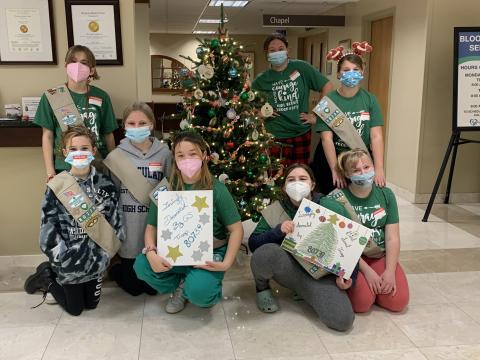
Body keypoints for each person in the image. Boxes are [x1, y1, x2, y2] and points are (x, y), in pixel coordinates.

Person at [133, 131, 244, 314]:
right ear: (174, 159)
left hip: (210, 252)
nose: (187, 159)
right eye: (180, 155)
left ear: (203, 155)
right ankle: (183, 285)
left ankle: (199, 285)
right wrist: (151, 252)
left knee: (201, 294)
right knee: (142, 265)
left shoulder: (217, 189)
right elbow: (151, 226)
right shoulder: (166, 187)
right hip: (176, 248)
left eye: (193, 153)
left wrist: (226, 264)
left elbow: (236, 229)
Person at [24, 126, 124, 316]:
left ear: (93, 151)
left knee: (92, 305)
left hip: (96, 260)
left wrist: (105, 255)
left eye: (85, 148)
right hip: (68, 260)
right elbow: (48, 227)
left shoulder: (106, 184)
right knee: (75, 309)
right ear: (64, 152)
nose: (79, 153)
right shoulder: (57, 186)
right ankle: (47, 277)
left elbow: (116, 222)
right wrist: (62, 257)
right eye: (73, 149)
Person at [248, 163, 356, 332]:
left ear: (312, 184)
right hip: (290, 269)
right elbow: (253, 244)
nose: (297, 183)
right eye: (291, 180)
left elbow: (352, 244)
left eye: (302, 179)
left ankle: (305, 293)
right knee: (264, 253)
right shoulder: (276, 209)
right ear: (284, 187)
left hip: (321, 275)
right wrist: (278, 231)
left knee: (342, 320)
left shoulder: (329, 206)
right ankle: (261, 288)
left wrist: (349, 278)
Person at [104, 102, 172, 296]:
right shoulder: (116, 156)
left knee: (152, 290)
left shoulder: (164, 153)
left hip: (154, 225)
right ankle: (115, 269)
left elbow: (170, 188)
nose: (136, 127)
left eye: (142, 122)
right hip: (129, 227)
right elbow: (113, 195)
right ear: (124, 126)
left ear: (151, 125)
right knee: (133, 289)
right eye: (131, 123)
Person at [329, 149, 409, 313]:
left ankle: (375, 290)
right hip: (353, 258)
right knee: (362, 304)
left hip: (378, 253)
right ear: (347, 174)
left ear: (374, 166)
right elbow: (342, 245)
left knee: (398, 302)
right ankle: (365, 289)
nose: (363, 173)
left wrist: (390, 271)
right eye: (356, 170)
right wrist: (369, 273)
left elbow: (392, 238)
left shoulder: (386, 194)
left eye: (366, 167)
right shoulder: (336, 200)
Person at [34, 45, 118, 182]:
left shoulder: (102, 96)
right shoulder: (52, 96)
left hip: (96, 166)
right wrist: (50, 172)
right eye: (73, 61)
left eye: (84, 63)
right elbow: (47, 136)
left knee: (100, 203)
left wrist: (114, 168)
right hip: (65, 167)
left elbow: (108, 134)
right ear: (66, 66)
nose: (77, 66)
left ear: (91, 70)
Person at [313, 42, 385, 195]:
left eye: (355, 70)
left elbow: (376, 136)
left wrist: (379, 169)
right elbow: (326, 139)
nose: (351, 73)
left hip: (361, 160)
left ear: (362, 72)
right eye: (346, 70)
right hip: (333, 160)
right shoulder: (328, 102)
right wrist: (335, 170)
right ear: (338, 74)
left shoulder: (370, 99)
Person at [252, 33, 333, 166]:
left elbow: (327, 86)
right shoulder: (261, 80)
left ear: (287, 50)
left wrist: (318, 115)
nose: (277, 52)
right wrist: (259, 114)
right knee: (276, 178)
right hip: (274, 135)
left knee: (300, 176)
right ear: (266, 53)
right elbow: (248, 106)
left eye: (281, 48)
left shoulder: (301, 68)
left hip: (300, 133)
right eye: (272, 50)